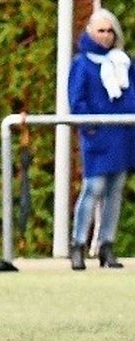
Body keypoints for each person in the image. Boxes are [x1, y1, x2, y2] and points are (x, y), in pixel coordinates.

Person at [68, 7, 135, 270]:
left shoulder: (124, 62)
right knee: (93, 188)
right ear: (90, 32)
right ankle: (78, 244)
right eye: (101, 31)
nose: (106, 36)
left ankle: (107, 245)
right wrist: (91, 126)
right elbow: (77, 100)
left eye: (110, 31)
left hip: (122, 135)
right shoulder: (81, 64)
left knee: (115, 190)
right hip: (97, 136)